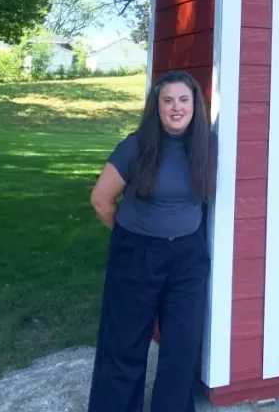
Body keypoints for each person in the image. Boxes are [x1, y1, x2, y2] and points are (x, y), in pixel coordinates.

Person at [88, 70, 215, 412]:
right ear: (156, 107)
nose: (176, 107)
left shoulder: (207, 146)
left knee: (182, 344)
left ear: (195, 105)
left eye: (184, 100)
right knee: (125, 342)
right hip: (137, 253)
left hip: (188, 258)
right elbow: (101, 200)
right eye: (168, 100)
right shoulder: (136, 146)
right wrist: (132, 236)